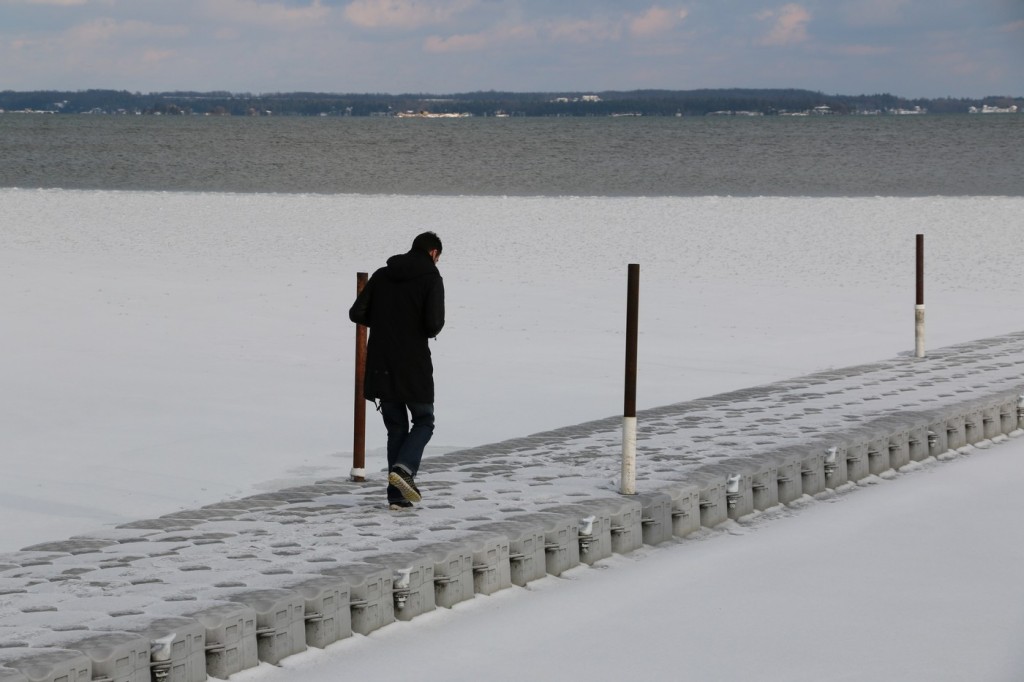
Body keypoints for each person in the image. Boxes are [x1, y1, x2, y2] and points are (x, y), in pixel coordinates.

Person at [349, 232, 445, 510]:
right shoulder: (431, 278)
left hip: (381, 362)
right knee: (424, 420)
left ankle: (397, 498)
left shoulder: (382, 274)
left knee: (396, 427)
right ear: (433, 253)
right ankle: (404, 469)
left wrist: (383, 321)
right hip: (413, 362)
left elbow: (357, 313)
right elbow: (433, 325)